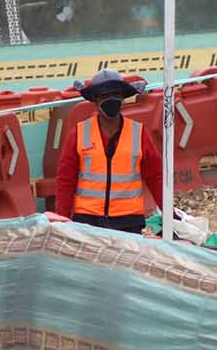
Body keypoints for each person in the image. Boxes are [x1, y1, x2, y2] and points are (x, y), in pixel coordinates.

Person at [55, 69, 163, 234]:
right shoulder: (79, 133)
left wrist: (169, 212)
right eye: (105, 96)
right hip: (88, 220)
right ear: (96, 100)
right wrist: (61, 219)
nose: (112, 100)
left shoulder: (138, 133)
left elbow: (156, 177)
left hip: (128, 221)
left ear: (123, 99)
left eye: (116, 95)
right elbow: (65, 180)